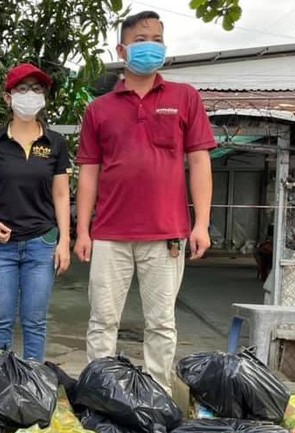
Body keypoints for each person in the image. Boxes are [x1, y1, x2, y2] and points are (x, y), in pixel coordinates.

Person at [74, 11, 215, 393]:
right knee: (103, 320)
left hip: (167, 232)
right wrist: (82, 230)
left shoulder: (184, 98)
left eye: (157, 38)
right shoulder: (99, 109)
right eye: (140, 39)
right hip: (109, 234)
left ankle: (158, 398)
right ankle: (100, 394)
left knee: (162, 322)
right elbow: (89, 171)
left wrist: (200, 223)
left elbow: (199, 161)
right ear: (122, 49)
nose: (150, 46)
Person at [0, 63, 71, 362]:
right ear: (8, 97)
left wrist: (65, 241)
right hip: (0, 247)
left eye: (37, 89)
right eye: (22, 89)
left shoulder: (55, 142)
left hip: (41, 244)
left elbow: (61, 193)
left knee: (34, 322)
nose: (30, 95)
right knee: (1, 322)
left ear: (44, 97)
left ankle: (33, 385)